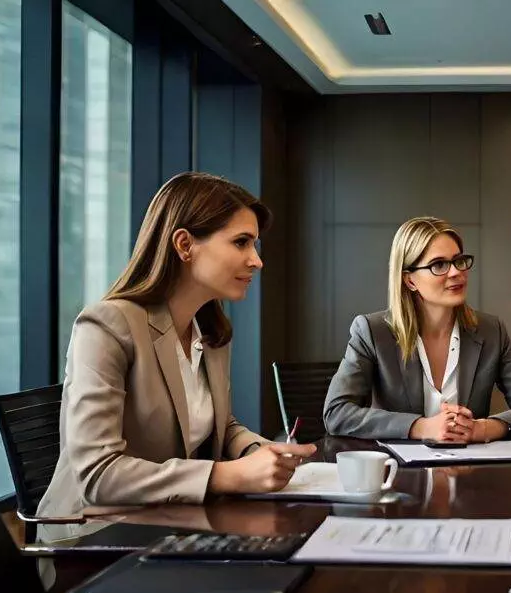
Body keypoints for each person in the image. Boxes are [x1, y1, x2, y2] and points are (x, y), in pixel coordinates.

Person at [38, 172, 316, 539]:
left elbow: (221, 424)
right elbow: (98, 474)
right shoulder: (106, 326)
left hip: (172, 524)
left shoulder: (211, 333)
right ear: (185, 245)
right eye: (241, 242)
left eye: (255, 245)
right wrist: (226, 475)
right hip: (96, 537)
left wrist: (258, 450)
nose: (256, 261)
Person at [324, 216, 511, 441]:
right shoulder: (372, 332)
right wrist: (421, 427)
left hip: (470, 473)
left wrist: (482, 429)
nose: (456, 272)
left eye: (458, 261)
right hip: (398, 473)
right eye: (439, 265)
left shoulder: (491, 331)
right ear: (410, 281)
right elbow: (337, 412)